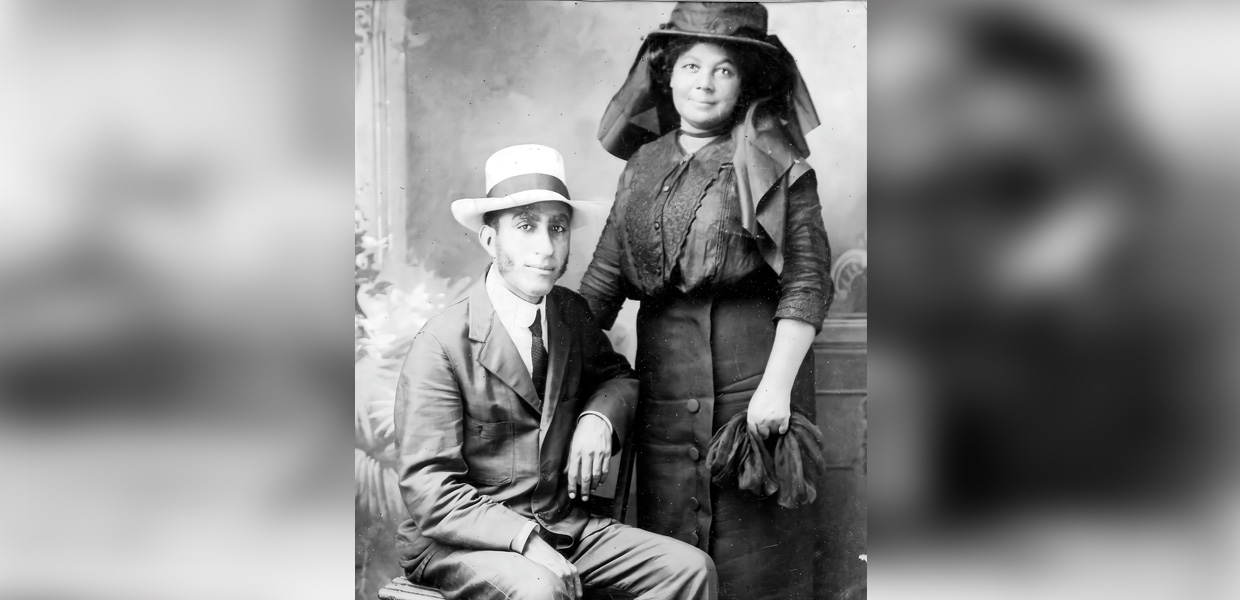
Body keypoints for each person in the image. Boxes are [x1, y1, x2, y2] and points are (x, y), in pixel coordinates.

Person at [581, 4, 832, 599]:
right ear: (667, 75)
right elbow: (602, 283)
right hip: (664, 407)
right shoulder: (642, 165)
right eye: (691, 66)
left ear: (744, 82)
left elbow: (807, 282)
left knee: (756, 576)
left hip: (752, 407)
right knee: (672, 569)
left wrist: (774, 391)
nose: (704, 82)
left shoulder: (775, 162)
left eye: (723, 70)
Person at [394, 144, 717, 600]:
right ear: (490, 240)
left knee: (689, 569)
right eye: (526, 226)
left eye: (558, 228)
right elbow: (431, 490)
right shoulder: (441, 343)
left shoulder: (571, 314)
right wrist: (525, 543)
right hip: (463, 542)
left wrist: (598, 419)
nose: (546, 248)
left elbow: (619, 378)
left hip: (561, 526)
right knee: (540, 588)